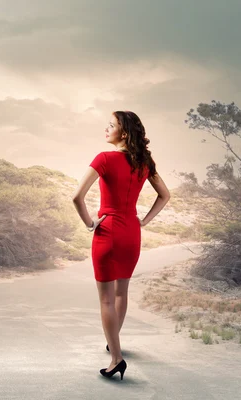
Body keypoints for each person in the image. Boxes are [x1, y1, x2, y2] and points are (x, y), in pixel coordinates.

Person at [71, 110, 170, 380]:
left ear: (123, 132)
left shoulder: (104, 159)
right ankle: (114, 341)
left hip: (108, 230)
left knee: (105, 298)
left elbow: (77, 197)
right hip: (131, 232)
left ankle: (116, 358)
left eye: (111, 125)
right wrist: (145, 221)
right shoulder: (144, 161)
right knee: (121, 292)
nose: (106, 129)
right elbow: (165, 195)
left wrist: (90, 224)